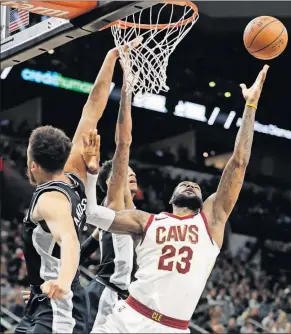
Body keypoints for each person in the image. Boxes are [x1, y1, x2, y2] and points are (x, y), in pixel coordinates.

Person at [83, 65, 269, 333]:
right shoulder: (147, 221)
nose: (192, 183)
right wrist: (91, 176)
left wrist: (250, 107)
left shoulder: (211, 222)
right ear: (170, 198)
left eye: (195, 185)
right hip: (128, 317)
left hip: (173, 327)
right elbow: (92, 214)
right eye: (185, 183)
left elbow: (239, 162)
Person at [14, 44, 126, 334]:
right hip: (42, 303)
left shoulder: (51, 199)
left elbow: (70, 241)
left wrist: (62, 282)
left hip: (59, 309)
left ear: (33, 164)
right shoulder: (73, 172)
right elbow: (93, 107)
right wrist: (111, 57)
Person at [80, 65, 139, 332]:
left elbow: (83, 251)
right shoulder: (116, 204)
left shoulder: (128, 215)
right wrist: (127, 89)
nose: (131, 174)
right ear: (111, 183)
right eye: (125, 173)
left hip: (123, 297)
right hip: (107, 292)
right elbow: (123, 143)